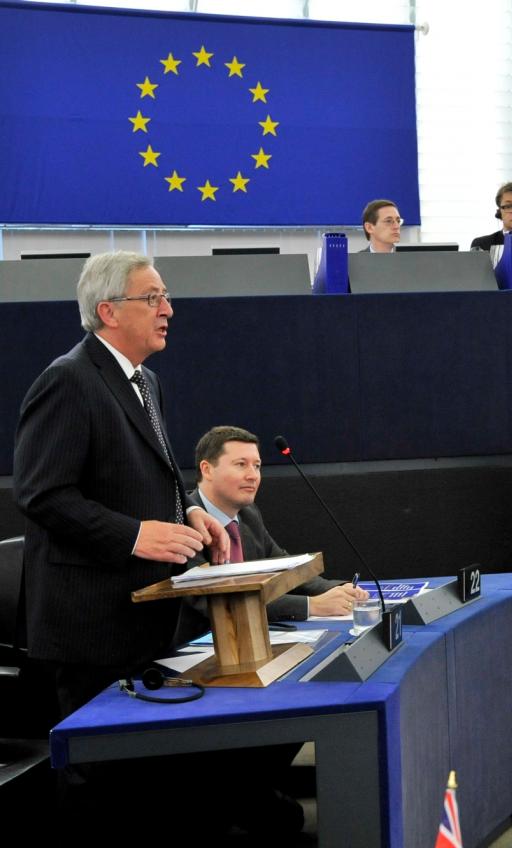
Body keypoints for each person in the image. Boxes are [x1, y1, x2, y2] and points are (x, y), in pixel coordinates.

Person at [13, 251, 228, 719]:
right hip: (91, 629)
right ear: (107, 311)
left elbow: (141, 475)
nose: (167, 309)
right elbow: (41, 493)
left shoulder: (147, 381)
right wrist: (133, 536)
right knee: (97, 782)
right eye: (152, 298)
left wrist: (188, 510)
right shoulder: (68, 380)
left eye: (165, 297)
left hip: (146, 620)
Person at [177, 426, 369, 640]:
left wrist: (338, 589)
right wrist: (311, 606)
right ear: (207, 469)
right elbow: (214, 600)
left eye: (257, 466)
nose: (253, 476)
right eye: (241, 465)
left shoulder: (249, 515)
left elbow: (284, 567)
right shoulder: (183, 522)